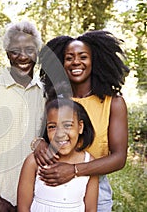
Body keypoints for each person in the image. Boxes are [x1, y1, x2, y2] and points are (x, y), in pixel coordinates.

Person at [34, 30, 129, 212]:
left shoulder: (113, 102)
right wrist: (38, 142)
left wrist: (74, 170)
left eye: (83, 56)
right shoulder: (54, 99)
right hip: (52, 182)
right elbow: (44, 136)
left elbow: (119, 158)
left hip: (95, 184)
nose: (76, 62)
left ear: (95, 61)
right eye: (69, 58)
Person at [0, 21, 46, 211]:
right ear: (7, 53)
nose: (23, 56)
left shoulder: (46, 94)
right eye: (15, 50)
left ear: (37, 52)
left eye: (29, 49)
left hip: (37, 198)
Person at [18, 94, 99, 212]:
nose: (60, 134)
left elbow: (91, 209)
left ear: (80, 127)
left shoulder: (89, 163)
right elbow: (23, 208)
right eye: (52, 127)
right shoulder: (34, 162)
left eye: (67, 125)